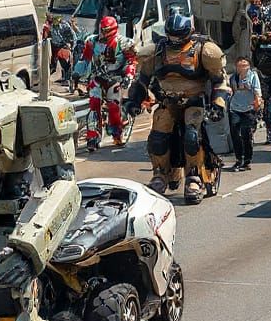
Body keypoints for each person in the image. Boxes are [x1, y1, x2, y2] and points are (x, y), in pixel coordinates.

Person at [132, 11, 229, 201]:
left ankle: (194, 177)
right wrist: (133, 101)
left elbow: (219, 80)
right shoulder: (157, 51)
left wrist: (218, 103)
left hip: (194, 102)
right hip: (167, 102)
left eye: (179, 37)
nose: (175, 41)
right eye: (172, 37)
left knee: (192, 137)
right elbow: (142, 81)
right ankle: (160, 173)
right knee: (157, 138)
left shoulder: (205, 50)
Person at [80, 16, 137, 146]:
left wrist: (129, 75)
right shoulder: (92, 41)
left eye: (106, 30)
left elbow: (131, 61)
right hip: (97, 77)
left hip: (115, 78)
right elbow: (85, 59)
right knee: (94, 105)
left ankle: (117, 133)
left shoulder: (124, 43)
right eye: (102, 30)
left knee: (113, 107)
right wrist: (77, 74)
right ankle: (93, 135)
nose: (104, 33)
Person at [228, 57, 261, 173]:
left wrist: (257, 102)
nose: (242, 68)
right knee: (236, 135)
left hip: (248, 108)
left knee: (246, 134)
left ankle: (247, 161)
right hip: (235, 108)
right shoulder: (233, 78)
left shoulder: (253, 76)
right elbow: (230, 90)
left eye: (245, 66)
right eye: (240, 66)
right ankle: (238, 159)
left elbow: (257, 91)